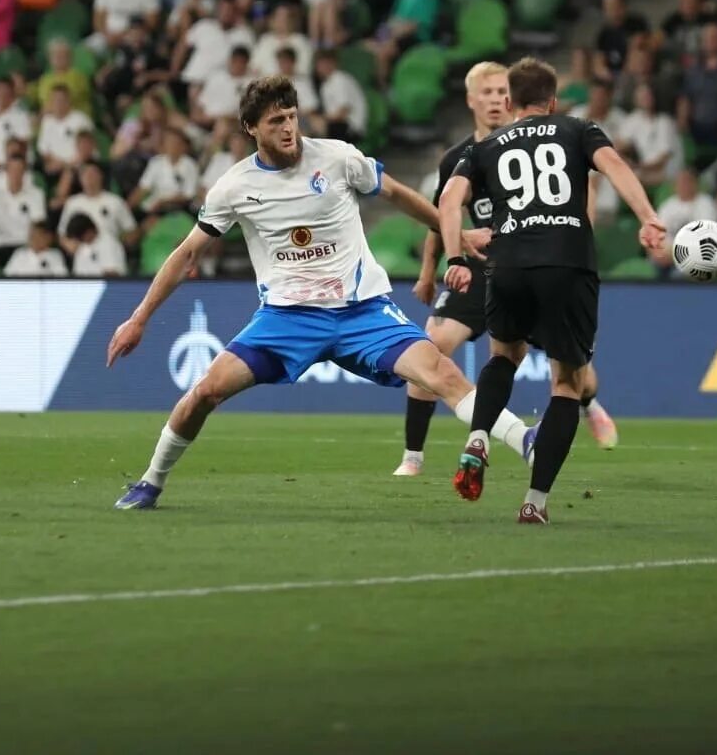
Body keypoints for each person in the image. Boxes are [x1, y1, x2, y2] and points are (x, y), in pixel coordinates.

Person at [107, 75, 532, 511]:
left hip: (362, 311)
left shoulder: (337, 157)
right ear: (251, 128)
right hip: (287, 318)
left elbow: (398, 194)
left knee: (442, 373)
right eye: (275, 121)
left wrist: (455, 234)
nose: (288, 128)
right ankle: (151, 481)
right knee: (205, 392)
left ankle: (527, 442)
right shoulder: (234, 186)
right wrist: (139, 318)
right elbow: (186, 255)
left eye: (291, 117)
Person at [439, 57, 665, 524]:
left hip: (508, 263)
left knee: (504, 355)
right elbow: (614, 166)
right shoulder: (579, 129)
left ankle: (478, 437)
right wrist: (648, 217)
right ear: (554, 100)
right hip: (567, 262)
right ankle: (534, 503)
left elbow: (448, 200)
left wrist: (455, 258)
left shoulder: (486, 145)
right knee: (566, 383)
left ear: (509, 101)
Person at [401, 61, 619, 479]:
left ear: (514, 98)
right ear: (471, 100)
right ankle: (413, 455)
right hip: (480, 268)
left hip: (532, 259)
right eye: (486, 93)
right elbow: (440, 215)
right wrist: (430, 270)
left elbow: (579, 194)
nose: (496, 100)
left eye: (502, 91)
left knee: (575, 375)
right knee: (433, 344)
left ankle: (589, 404)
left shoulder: (540, 142)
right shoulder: (460, 157)